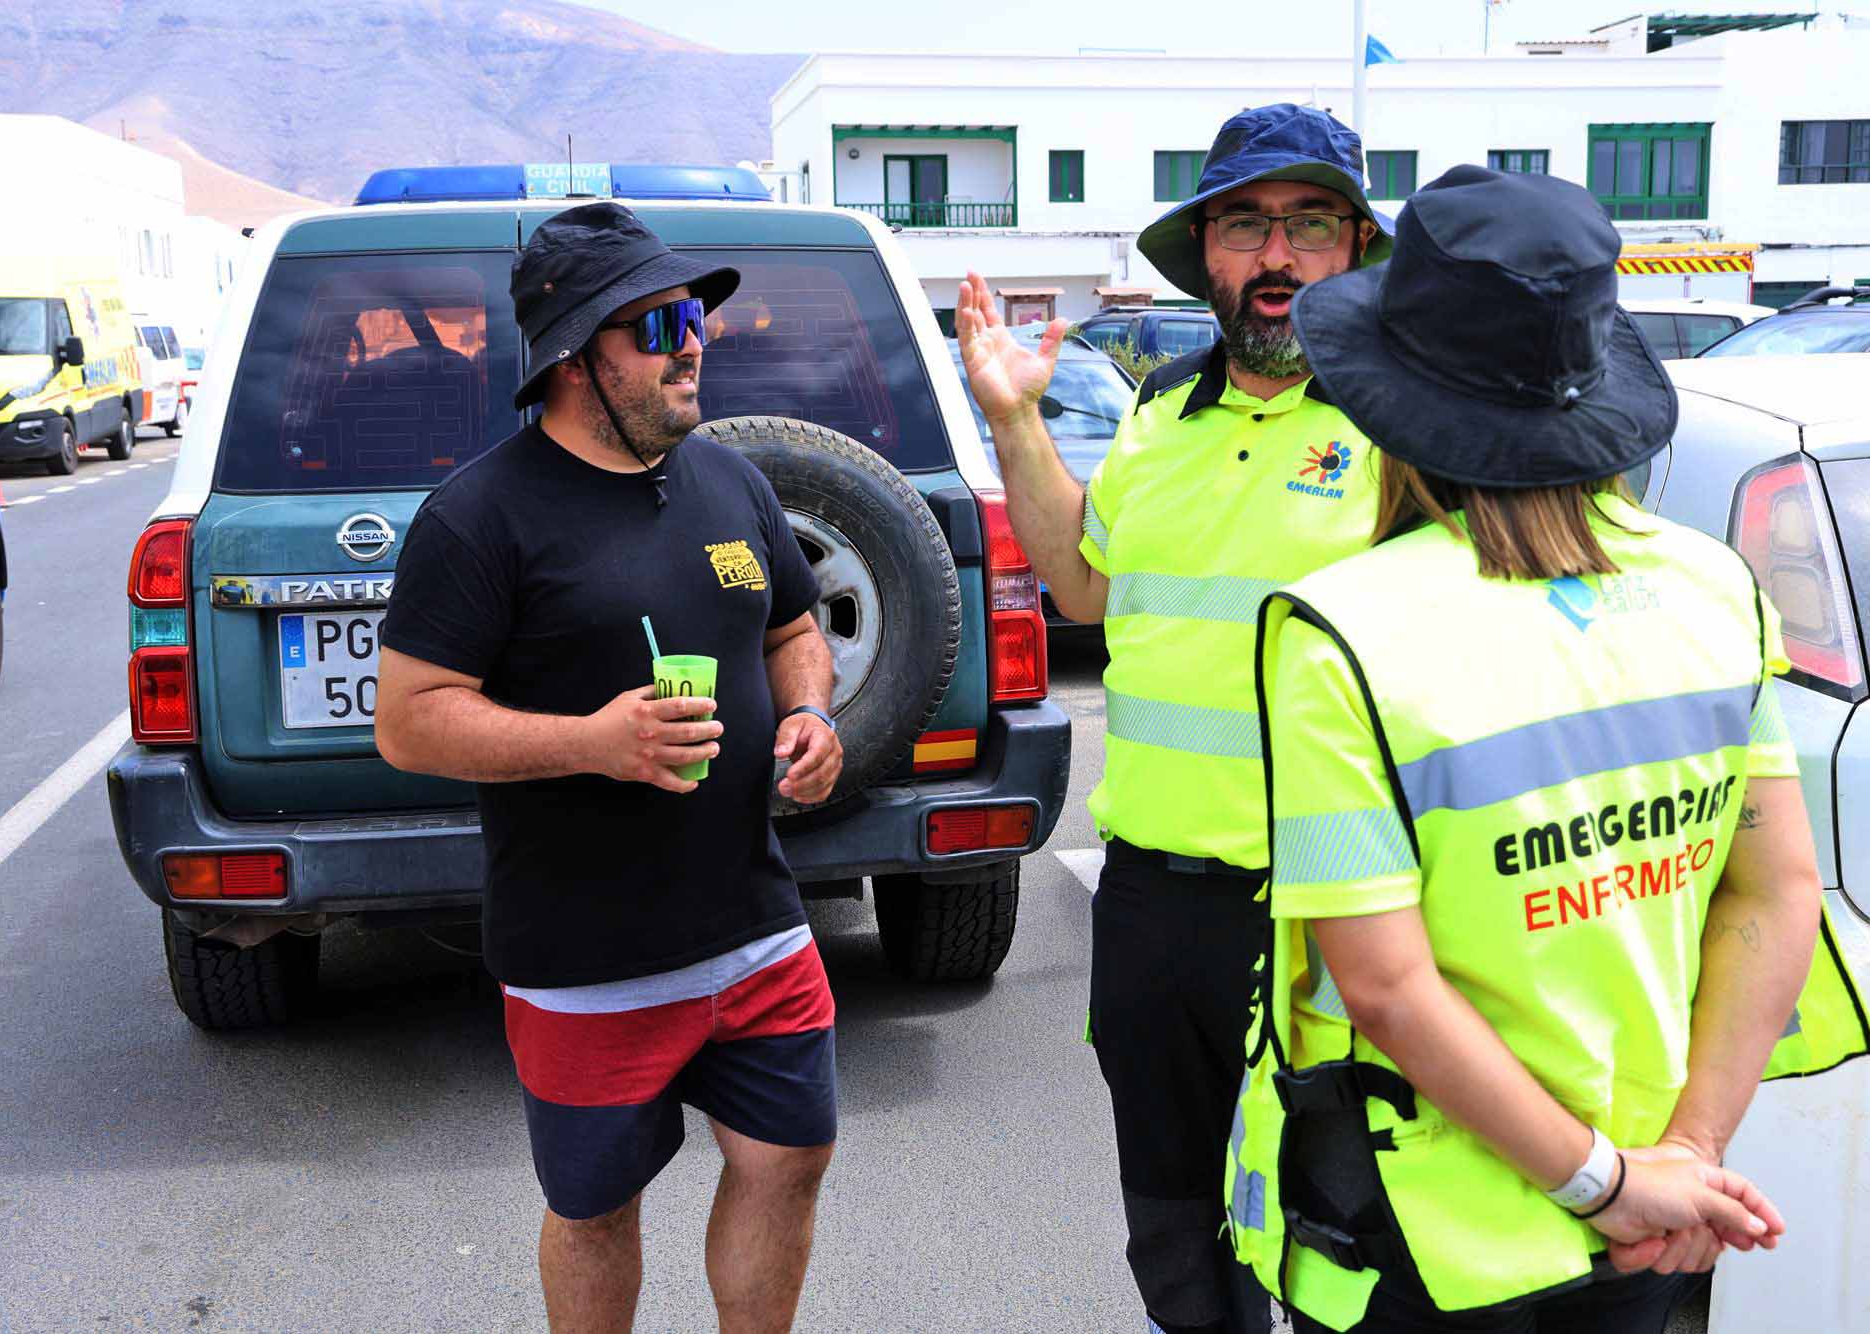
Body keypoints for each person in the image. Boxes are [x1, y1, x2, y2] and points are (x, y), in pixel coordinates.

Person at [1225, 165, 1870, 1334]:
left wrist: (1605, 1183)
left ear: (1387, 403)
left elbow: (1385, 986)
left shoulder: (1345, 630)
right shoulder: (1713, 587)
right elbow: (1776, 890)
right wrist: (1682, 1155)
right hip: (1651, 1191)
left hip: (1434, 1225)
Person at [959, 103, 1394, 1334]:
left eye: (1310, 224)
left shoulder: (1406, 429)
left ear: (1357, 247)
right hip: (1153, 905)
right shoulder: (1157, 417)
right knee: (1176, 1231)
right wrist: (1014, 420)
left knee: (1340, 1238)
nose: (1277, 255)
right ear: (1205, 251)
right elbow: (1082, 585)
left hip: (1330, 908)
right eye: (1246, 224)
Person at [373, 203, 845, 1334]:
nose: (695, 345)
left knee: (789, 1158)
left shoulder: (729, 483)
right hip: (585, 960)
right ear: (576, 357)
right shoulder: (479, 517)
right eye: (662, 326)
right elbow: (409, 723)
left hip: (757, 924)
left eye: (698, 319)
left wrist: (810, 714)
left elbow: (792, 628)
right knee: (595, 1209)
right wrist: (592, 742)